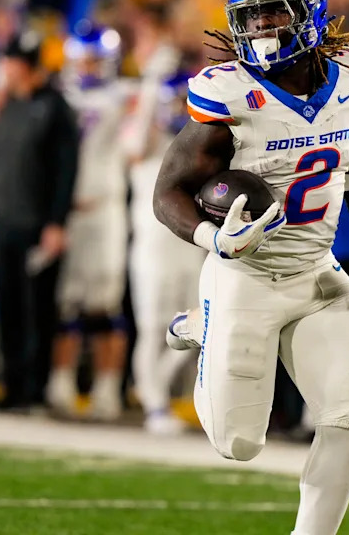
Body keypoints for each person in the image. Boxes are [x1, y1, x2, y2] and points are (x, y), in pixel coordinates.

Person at [154, 0, 349, 535]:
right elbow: (168, 190)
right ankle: (206, 322)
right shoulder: (230, 95)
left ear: (310, 11)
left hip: (316, 274)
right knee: (237, 443)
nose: (263, 29)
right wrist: (215, 239)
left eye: (275, 14)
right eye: (253, 18)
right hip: (245, 276)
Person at [0, 33, 79, 411]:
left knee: (37, 310)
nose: (3, 70)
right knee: (8, 307)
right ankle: (12, 387)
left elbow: (65, 170)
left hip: (36, 224)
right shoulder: (9, 106)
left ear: (25, 66)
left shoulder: (56, 108)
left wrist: (56, 222)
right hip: (4, 221)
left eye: (9, 63)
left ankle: (33, 391)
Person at [46, 23, 133, 420]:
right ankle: (60, 382)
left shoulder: (123, 96)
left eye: (95, 59)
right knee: (66, 303)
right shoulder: (57, 97)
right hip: (67, 211)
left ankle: (106, 388)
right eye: (84, 59)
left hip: (106, 207)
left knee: (105, 304)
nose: (88, 67)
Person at [126, 69, 205, 435]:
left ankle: (153, 389)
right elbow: (137, 141)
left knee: (201, 326)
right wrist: (150, 83)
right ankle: (155, 405)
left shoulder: (199, 147)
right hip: (153, 249)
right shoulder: (146, 140)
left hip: (189, 247)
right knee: (153, 329)